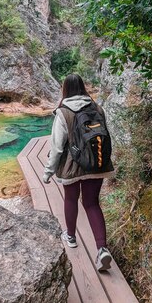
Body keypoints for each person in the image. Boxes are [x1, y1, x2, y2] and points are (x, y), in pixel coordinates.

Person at [42, 74, 114, 272]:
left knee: (71, 199)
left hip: (72, 166)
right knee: (92, 204)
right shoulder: (97, 108)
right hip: (97, 164)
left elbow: (57, 147)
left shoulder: (63, 113)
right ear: (83, 88)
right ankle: (102, 249)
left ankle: (71, 237)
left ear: (65, 89)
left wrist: (48, 172)